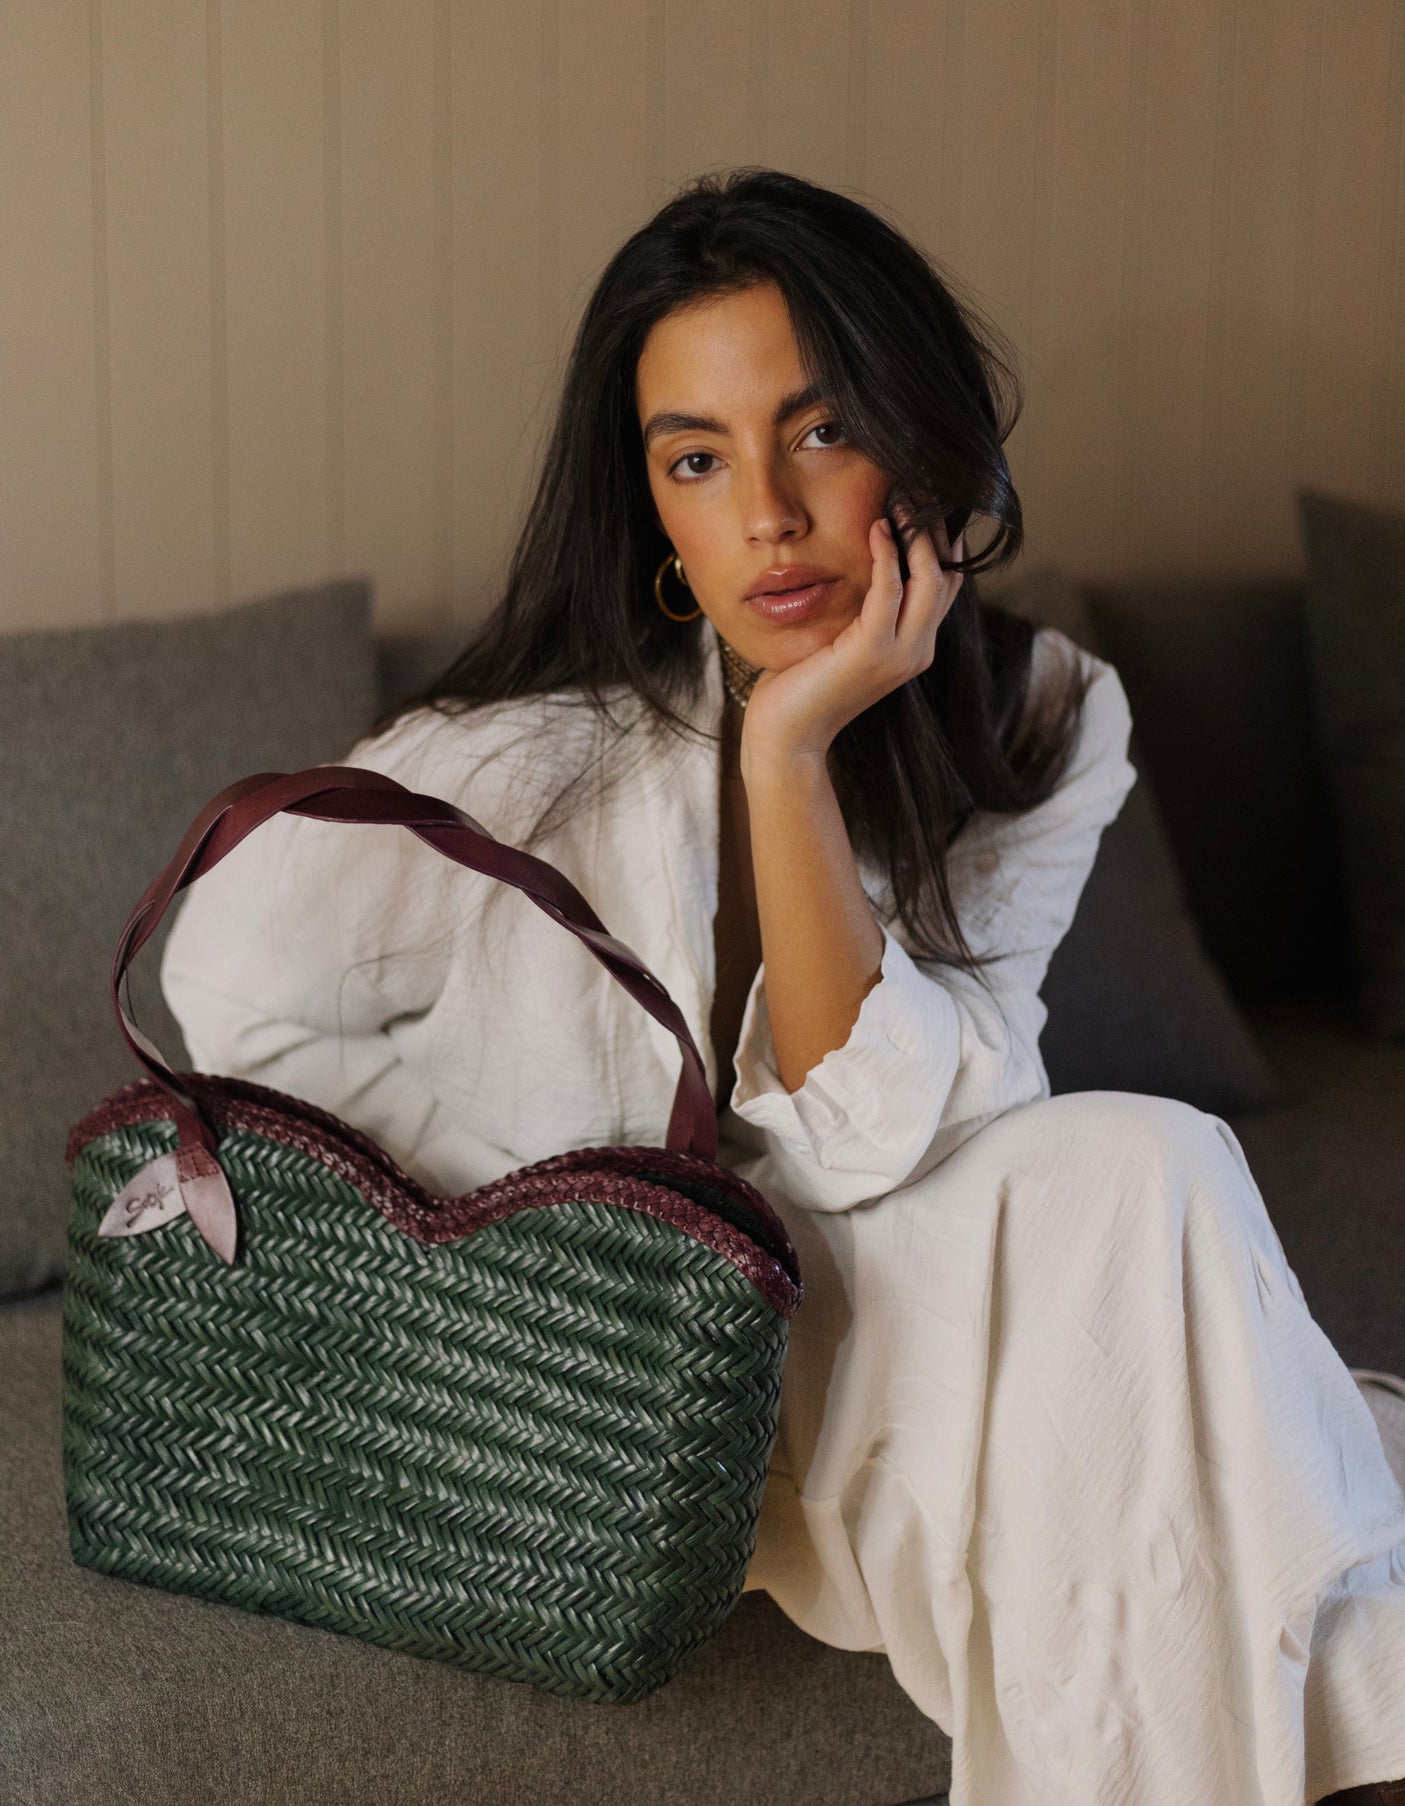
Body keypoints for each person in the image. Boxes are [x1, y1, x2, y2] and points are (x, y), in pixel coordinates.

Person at [158, 167, 1405, 1805]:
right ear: (653, 508)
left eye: (816, 431)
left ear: (920, 432)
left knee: (1150, 1159)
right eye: (696, 456)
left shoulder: (1041, 714)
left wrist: (787, 751)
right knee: (1262, 1403)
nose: (765, 508)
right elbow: (220, 975)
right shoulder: (524, 759)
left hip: (920, 1317)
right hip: (640, 1374)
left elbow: (881, 1134)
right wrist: (491, 1199)